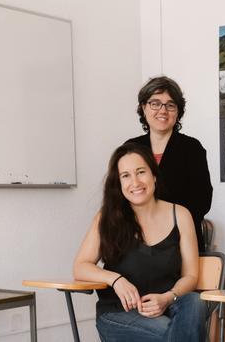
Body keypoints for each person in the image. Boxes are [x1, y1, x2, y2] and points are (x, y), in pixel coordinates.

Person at [73, 143, 206, 342]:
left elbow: (191, 275)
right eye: (125, 175)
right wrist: (116, 280)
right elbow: (80, 267)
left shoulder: (180, 215)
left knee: (195, 302)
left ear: (153, 175)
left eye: (141, 172)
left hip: (168, 308)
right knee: (172, 331)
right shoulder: (107, 218)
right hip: (119, 314)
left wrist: (168, 298)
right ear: (118, 183)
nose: (135, 182)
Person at [127, 76, 213, 252]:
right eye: (155, 103)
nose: (163, 110)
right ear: (144, 107)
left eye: (170, 105)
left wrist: (164, 225)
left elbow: (201, 201)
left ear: (178, 112)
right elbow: (118, 195)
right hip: (136, 240)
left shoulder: (192, 148)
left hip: (180, 242)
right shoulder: (130, 148)